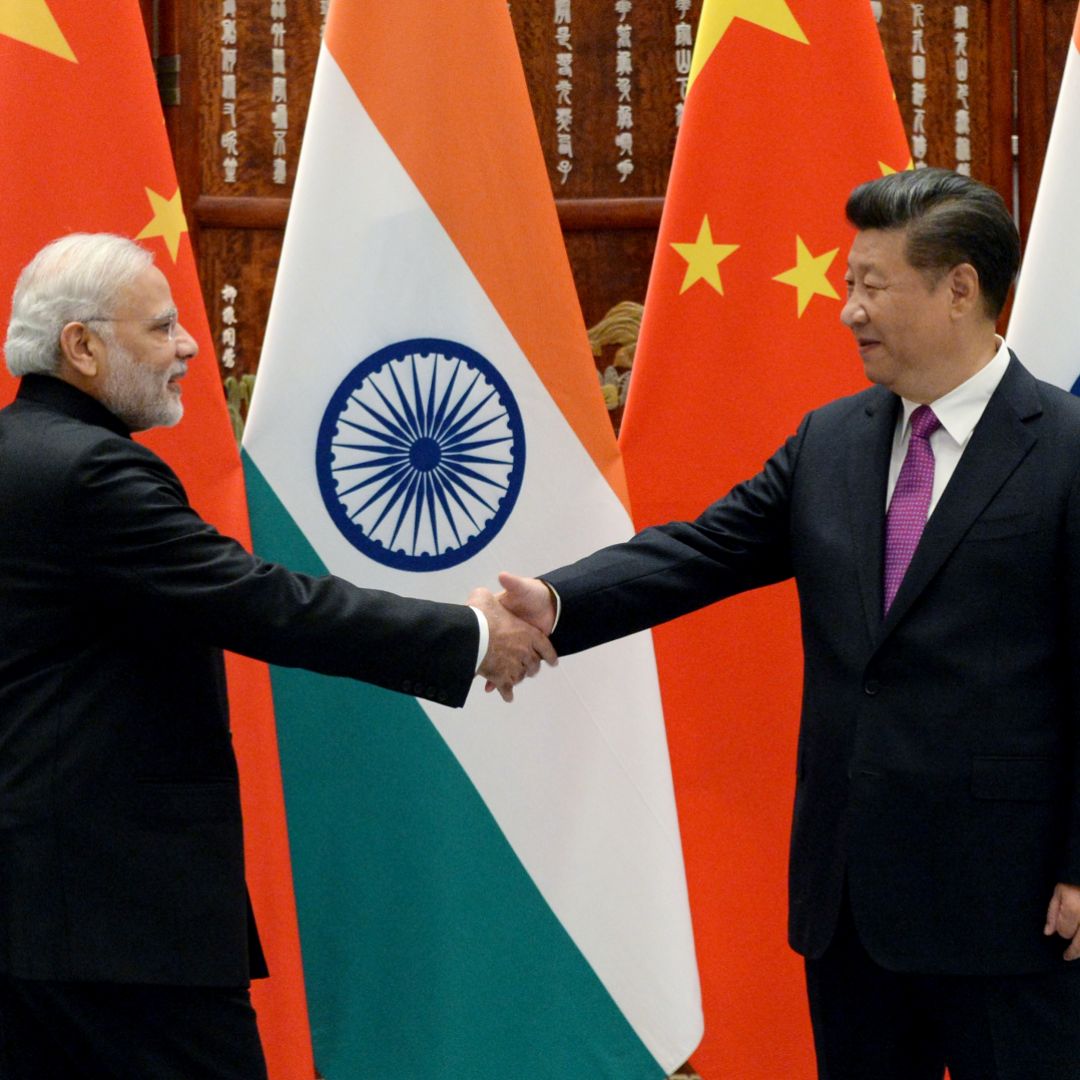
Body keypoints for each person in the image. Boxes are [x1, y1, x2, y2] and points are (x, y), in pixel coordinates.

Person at [497, 168, 1080, 1079]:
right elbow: (700, 552)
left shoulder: (1068, 450)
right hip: (849, 903)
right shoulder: (833, 440)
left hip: (1011, 908)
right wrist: (559, 602)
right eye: (848, 284)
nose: (849, 310)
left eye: (873, 286)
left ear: (960, 288)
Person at [0, 232, 555, 1079]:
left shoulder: (22, 455)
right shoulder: (90, 473)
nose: (189, 347)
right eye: (160, 327)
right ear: (81, 346)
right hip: (115, 923)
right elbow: (264, 604)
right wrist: (472, 636)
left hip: (43, 916)